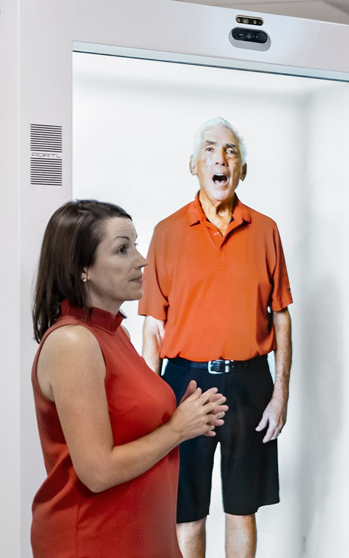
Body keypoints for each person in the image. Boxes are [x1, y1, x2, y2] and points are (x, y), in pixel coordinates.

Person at [30, 200, 228, 558]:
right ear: (81, 268)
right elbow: (98, 471)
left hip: (142, 538)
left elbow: (129, 423)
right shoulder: (74, 342)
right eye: (122, 249)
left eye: (135, 245)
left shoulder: (113, 332)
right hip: (94, 542)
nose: (141, 260)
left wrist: (186, 416)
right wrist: (177, 429)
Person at [140, 117, 294, 558]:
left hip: (250, 382)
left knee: (242, 509)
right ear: (194, 165)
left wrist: (280, 393)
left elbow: (281, 317)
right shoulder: (167, 233)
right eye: (210, 149)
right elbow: (153, 327)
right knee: (187, 511)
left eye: (230, 151)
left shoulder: (265, 230)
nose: (220, 158)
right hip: (184, 385)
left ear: (242, 169)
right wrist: (152, 404)